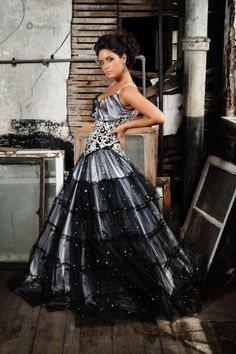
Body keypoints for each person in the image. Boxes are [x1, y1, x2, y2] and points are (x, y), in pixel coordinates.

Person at [14, 32, 203, 326]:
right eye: (101, 60)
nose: (104, 65)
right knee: (94, 224)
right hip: (94, 161)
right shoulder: (115, 87)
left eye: (109, 59)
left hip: (105, 162)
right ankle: (93, 278)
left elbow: (157, 117)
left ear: (124, 58)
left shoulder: (126, 89)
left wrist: (124, 129)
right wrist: (120, 128)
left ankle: (125, 282)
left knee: (113, 224)